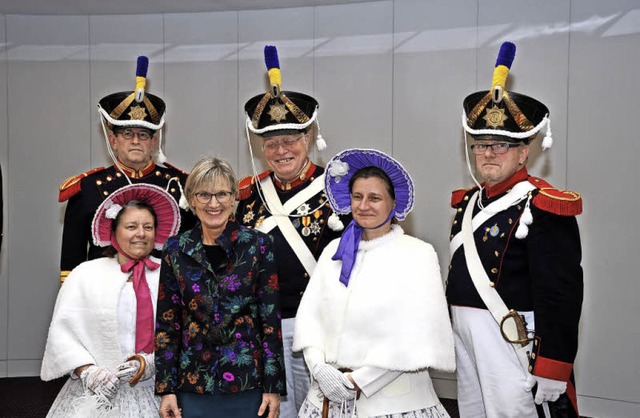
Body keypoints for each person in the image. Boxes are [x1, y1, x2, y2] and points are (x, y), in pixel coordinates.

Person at [447, 42, 583, 418]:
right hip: (466, 339)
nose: (488, 153)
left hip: (510, 340)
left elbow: (561, 292)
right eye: (480, 145)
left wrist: (554, 365)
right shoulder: (468, 202)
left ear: (524, 151)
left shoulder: (543, 205)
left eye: (501, 145)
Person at [293, 148, 455, 418]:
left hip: (394, 403)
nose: (363, 205)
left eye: (374, 198)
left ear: (394, 203)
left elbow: (416, 335)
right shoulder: (334, 251)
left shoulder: (417, 254)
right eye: (357, 197)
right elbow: (311, 319)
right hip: (326, 400)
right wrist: (319, 368)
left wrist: (358, 382)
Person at [237, 45, 349, 417]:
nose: (281, 150)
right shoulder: (247, 195)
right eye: (271, 143)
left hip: (320, 324)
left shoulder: (339, 190)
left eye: (290, 139)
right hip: (264, 328)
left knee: (320, 408)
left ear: (308, 137)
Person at [155, 156, 285, 418]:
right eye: (204, 194)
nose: (213, 203)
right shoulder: (175, 249)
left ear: (234, 197)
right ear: (191, 199)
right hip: (193, 383)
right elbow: (168, 325)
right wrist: (166, 388)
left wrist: (273, 387)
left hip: (248, 382)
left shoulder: (259, 245)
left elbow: (270, 321)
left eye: (222, 194)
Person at [41, 182, 182, 417]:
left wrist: (154, 363)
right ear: (113, 230)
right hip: (96, 393)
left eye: (148, 227)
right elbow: (62, 333)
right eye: (131, 226)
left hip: (158, 390)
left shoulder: (171, 274)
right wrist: (88, 372)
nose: (141, 233)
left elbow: (187, 330)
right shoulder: (85, 274)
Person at [58, 55, 195, 284]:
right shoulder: (88, 188)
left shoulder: (181, 184)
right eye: (127, 134)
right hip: (102, 295)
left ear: (154, 142)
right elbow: (71, 266)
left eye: (143, 135)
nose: (135, 141)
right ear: (113, 140)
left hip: (164, 298)